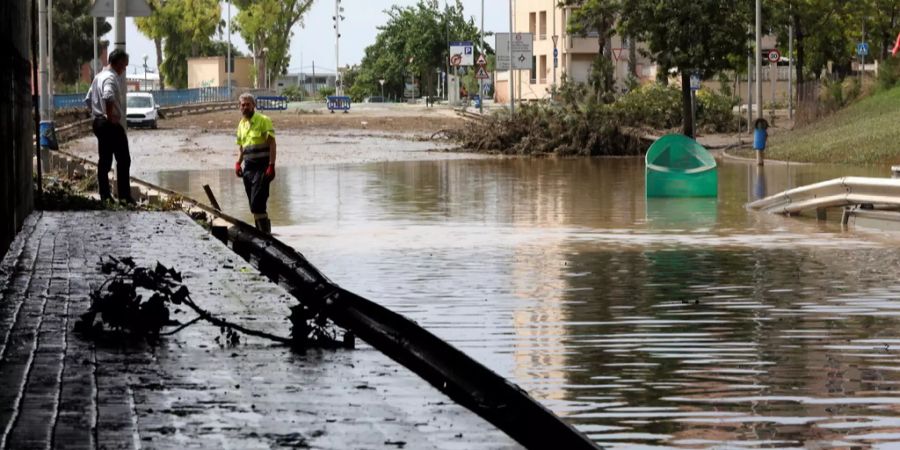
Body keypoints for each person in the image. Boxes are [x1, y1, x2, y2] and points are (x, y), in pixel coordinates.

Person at [84, 49, 133, 203]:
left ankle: (105, 195)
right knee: (123, 159)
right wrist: (109, 116)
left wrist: (97, 114)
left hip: (99, 122)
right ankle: (124, 196)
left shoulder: (98, 77)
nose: (124, 69)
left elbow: (88, 99)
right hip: (109, 123)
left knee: (104, 160)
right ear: (118, 63)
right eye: (124, 66)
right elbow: (108, 96)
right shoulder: (111, 78)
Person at [234, 93, 276, 233]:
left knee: (258, 202)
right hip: (248, 168)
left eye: (247, 104)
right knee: (253, 204)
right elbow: (242, 147)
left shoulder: (263, 120)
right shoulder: (241, 124)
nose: (245, 107)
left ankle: (265, 235)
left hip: (262, 167)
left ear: (254, 106)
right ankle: (263, 233)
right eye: (242, 105)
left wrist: (271, 165)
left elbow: (272, 144)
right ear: (239, 107)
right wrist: (238, 163)